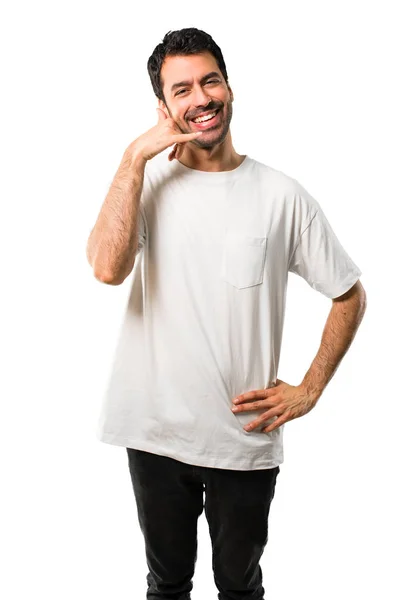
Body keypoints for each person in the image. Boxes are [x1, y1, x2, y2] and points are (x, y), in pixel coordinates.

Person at [86, 27, 366, 600]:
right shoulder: (145, 182)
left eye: (209, 81)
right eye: (181, 89)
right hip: (155, 431)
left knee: (239, 586)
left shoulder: (281, 195)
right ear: (163, 107)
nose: (201, 98)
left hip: (245, 437)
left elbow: (349, 293)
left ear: (229, 87)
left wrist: (309, 390)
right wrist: (132, 155)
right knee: (167, 585)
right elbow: (107, 269)